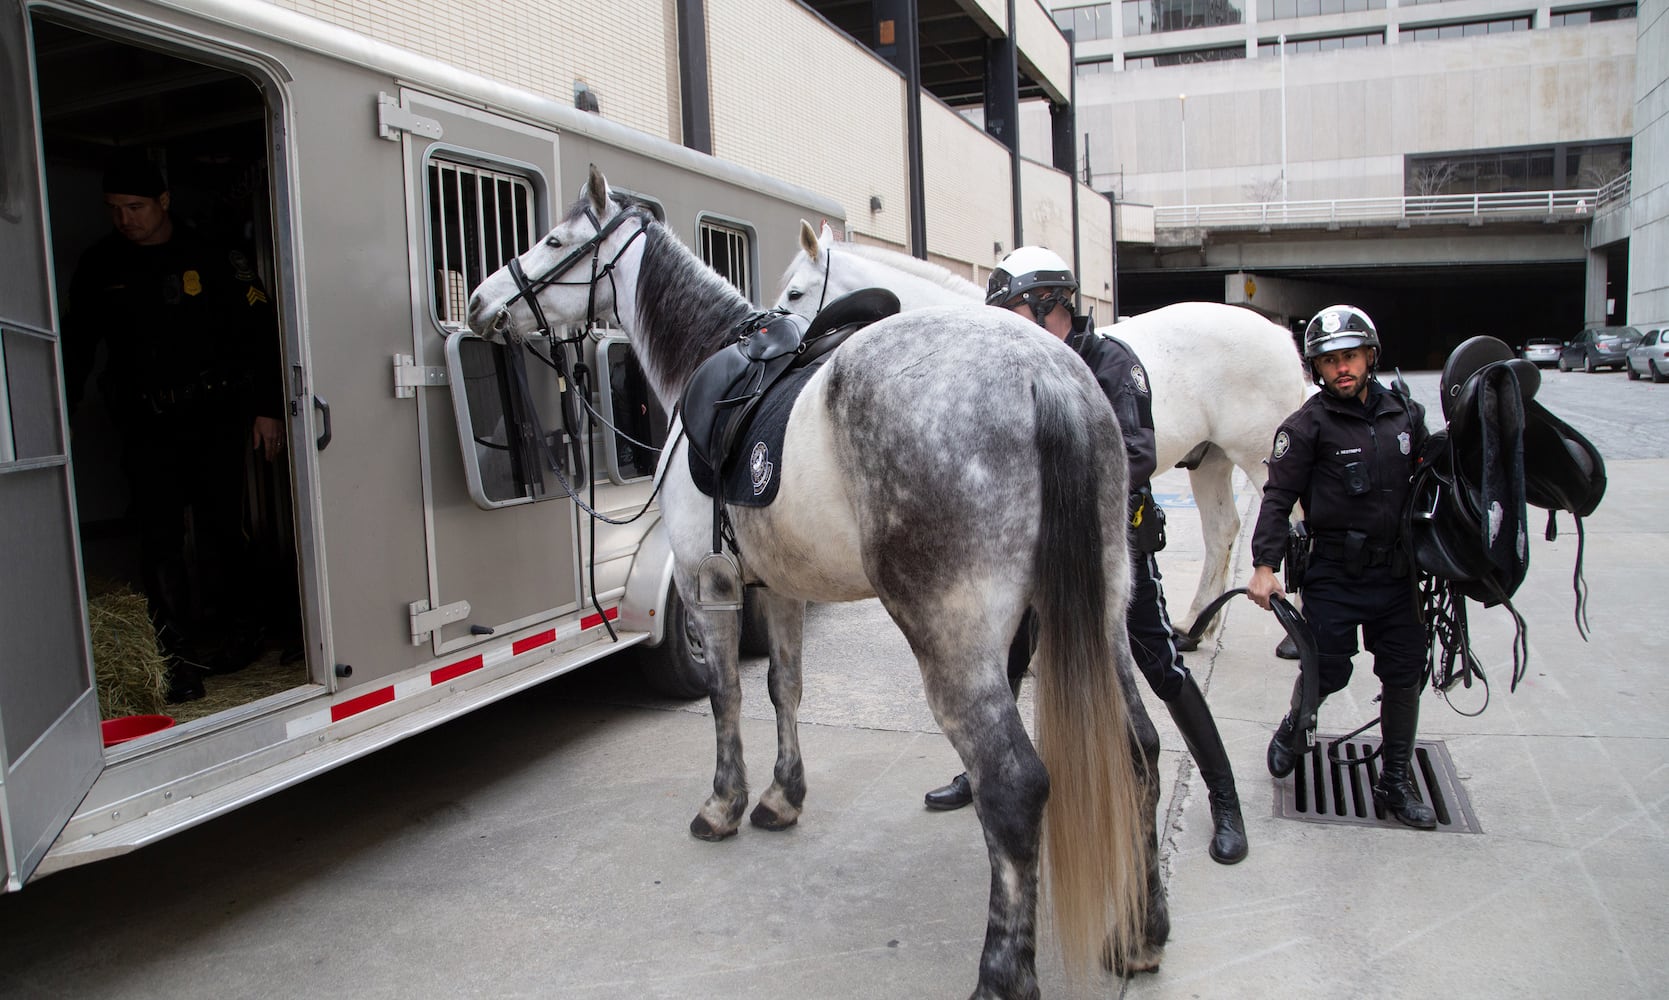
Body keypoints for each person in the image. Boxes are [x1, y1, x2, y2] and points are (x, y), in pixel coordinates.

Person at [922, 246, 1249, 866]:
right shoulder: (1019, 366)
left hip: (1110, 543)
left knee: (1161, 668)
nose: (1010, 329)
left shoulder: (1110, 364)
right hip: (1032, 549)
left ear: (1053, 306)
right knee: (1005, 659)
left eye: (1018, 313)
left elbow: (1139, 452)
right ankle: (983, 770)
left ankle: (1225, 798)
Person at [63, 155, 285, 702]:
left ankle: (243, 631)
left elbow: (260, 331)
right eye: (115, 209)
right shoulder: (100, 264)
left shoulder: (212, 254)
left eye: (135, 207)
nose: (126, 219)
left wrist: (267, 408)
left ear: (163, 201)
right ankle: (174, 654)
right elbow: (76, 347)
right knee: (159, 538)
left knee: (219, 527)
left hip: (213, 416)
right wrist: (57, 415)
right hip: (146, 423)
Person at [1246, 304, 1437, 829]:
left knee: (1404, 675)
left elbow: (1433, 484)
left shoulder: (1404, 415)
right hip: (1334, 573)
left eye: (1350, 357)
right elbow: (1278, 498)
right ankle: (1295, 725)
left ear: (1369, 356)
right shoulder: (1305, 427)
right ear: (1317, 369)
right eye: (1330, 362)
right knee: (1327, 669)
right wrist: (1265, 565)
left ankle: (1395, 782)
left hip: (1397, 576)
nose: (1342, 369)